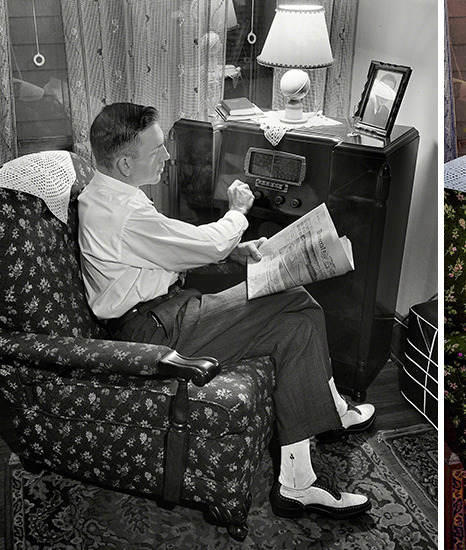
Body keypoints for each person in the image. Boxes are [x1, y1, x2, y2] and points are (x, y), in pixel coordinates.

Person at [78, 102, 375, 520]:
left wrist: (235, 253)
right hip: (158, 334)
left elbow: (162, 249)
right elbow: (205, 242)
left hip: (168, 314)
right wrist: (237, 212)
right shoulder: (124, 213)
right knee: (295, 294)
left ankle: (296, 484)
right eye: (157, 150)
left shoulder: (107, 195)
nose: (167, 156)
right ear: (126, 163)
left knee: (297, 326)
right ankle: (334, 410)